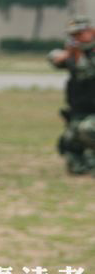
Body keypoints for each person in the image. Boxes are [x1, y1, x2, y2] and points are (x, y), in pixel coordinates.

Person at [47, 16, 95, 175]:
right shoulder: (75, 54)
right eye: (73, 35)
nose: (76, 38)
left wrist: (78, 55)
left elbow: (87, 72)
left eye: (80, 34)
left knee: (87, 129)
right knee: (69, 141)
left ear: (91, 32)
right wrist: (68, 55)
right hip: (81, 111)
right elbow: (54, 58)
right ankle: (85, 165)